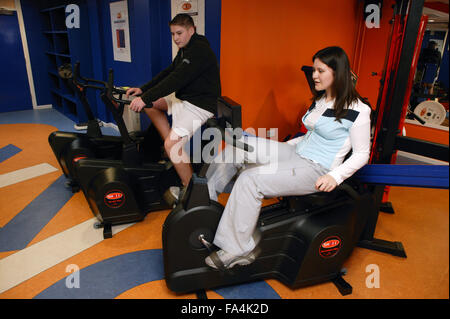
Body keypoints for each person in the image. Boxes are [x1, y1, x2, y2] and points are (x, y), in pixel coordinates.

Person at [204, 46, 372, 270]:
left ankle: (238, 249)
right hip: (295, 151)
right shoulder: (321, 100)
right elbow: (310, 135)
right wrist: (278, 149)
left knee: (250, 179)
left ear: (337, 72)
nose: (314, 76)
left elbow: (362, 153)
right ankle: (204, 203)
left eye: (320, 71)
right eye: (314, 70)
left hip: (317, 168)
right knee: (237, 147)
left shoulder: (359, 110)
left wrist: (336, 176)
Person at [126, 13, 221, 204]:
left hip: (201, 105)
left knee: (172, 143)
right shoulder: (185, 49)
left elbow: (176, 80)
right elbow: (170, 71)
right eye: (173, 34)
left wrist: (145, 97)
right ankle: (172, 149)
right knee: (151, 106)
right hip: (186, 99)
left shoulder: (199, 50)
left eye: (179, 33)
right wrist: (144, 90)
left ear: (191, 30)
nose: (176, 38)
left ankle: (191, 190)